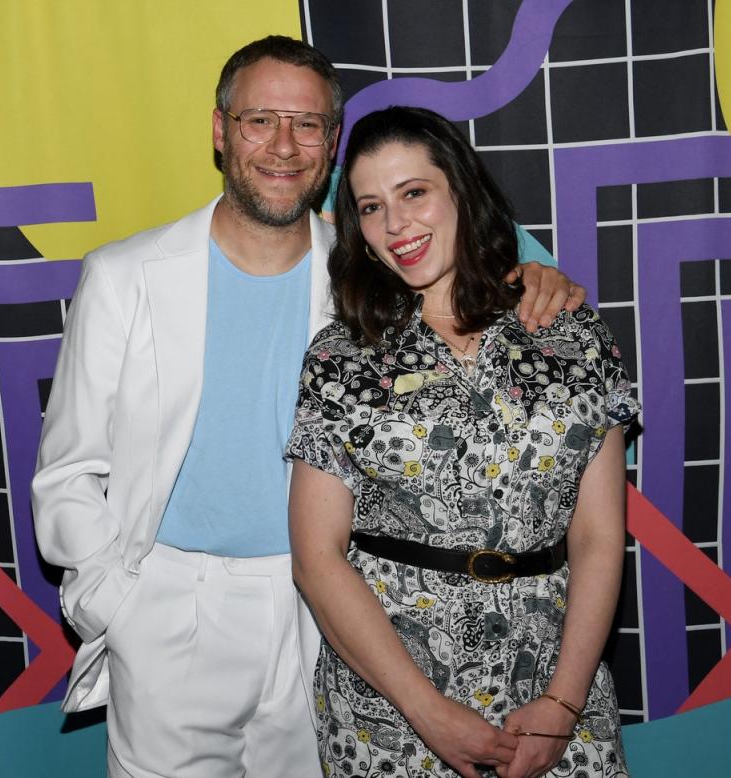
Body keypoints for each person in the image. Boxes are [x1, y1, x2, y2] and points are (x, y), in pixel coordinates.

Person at [32, 37, 585, 778]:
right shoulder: (124, 276)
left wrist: (538, 282)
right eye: (260, 120)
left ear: (331, 143)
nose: (283, 146)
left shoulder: (377, 276)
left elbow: (471, 286)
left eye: (308, 125)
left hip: (331, 608)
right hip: (170, 605)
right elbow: (66, 474)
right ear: (221, 130)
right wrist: (118, 607)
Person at [287, 105, 639, 778]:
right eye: (370, 206)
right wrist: (429, 713)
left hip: (556, 687)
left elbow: (598, 536)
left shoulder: (573, 336)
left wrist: (563, 705)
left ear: (459, 190)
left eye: (413, 193)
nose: (396, 226)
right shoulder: (342, 359)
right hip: (389, 711)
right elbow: (317, 558)